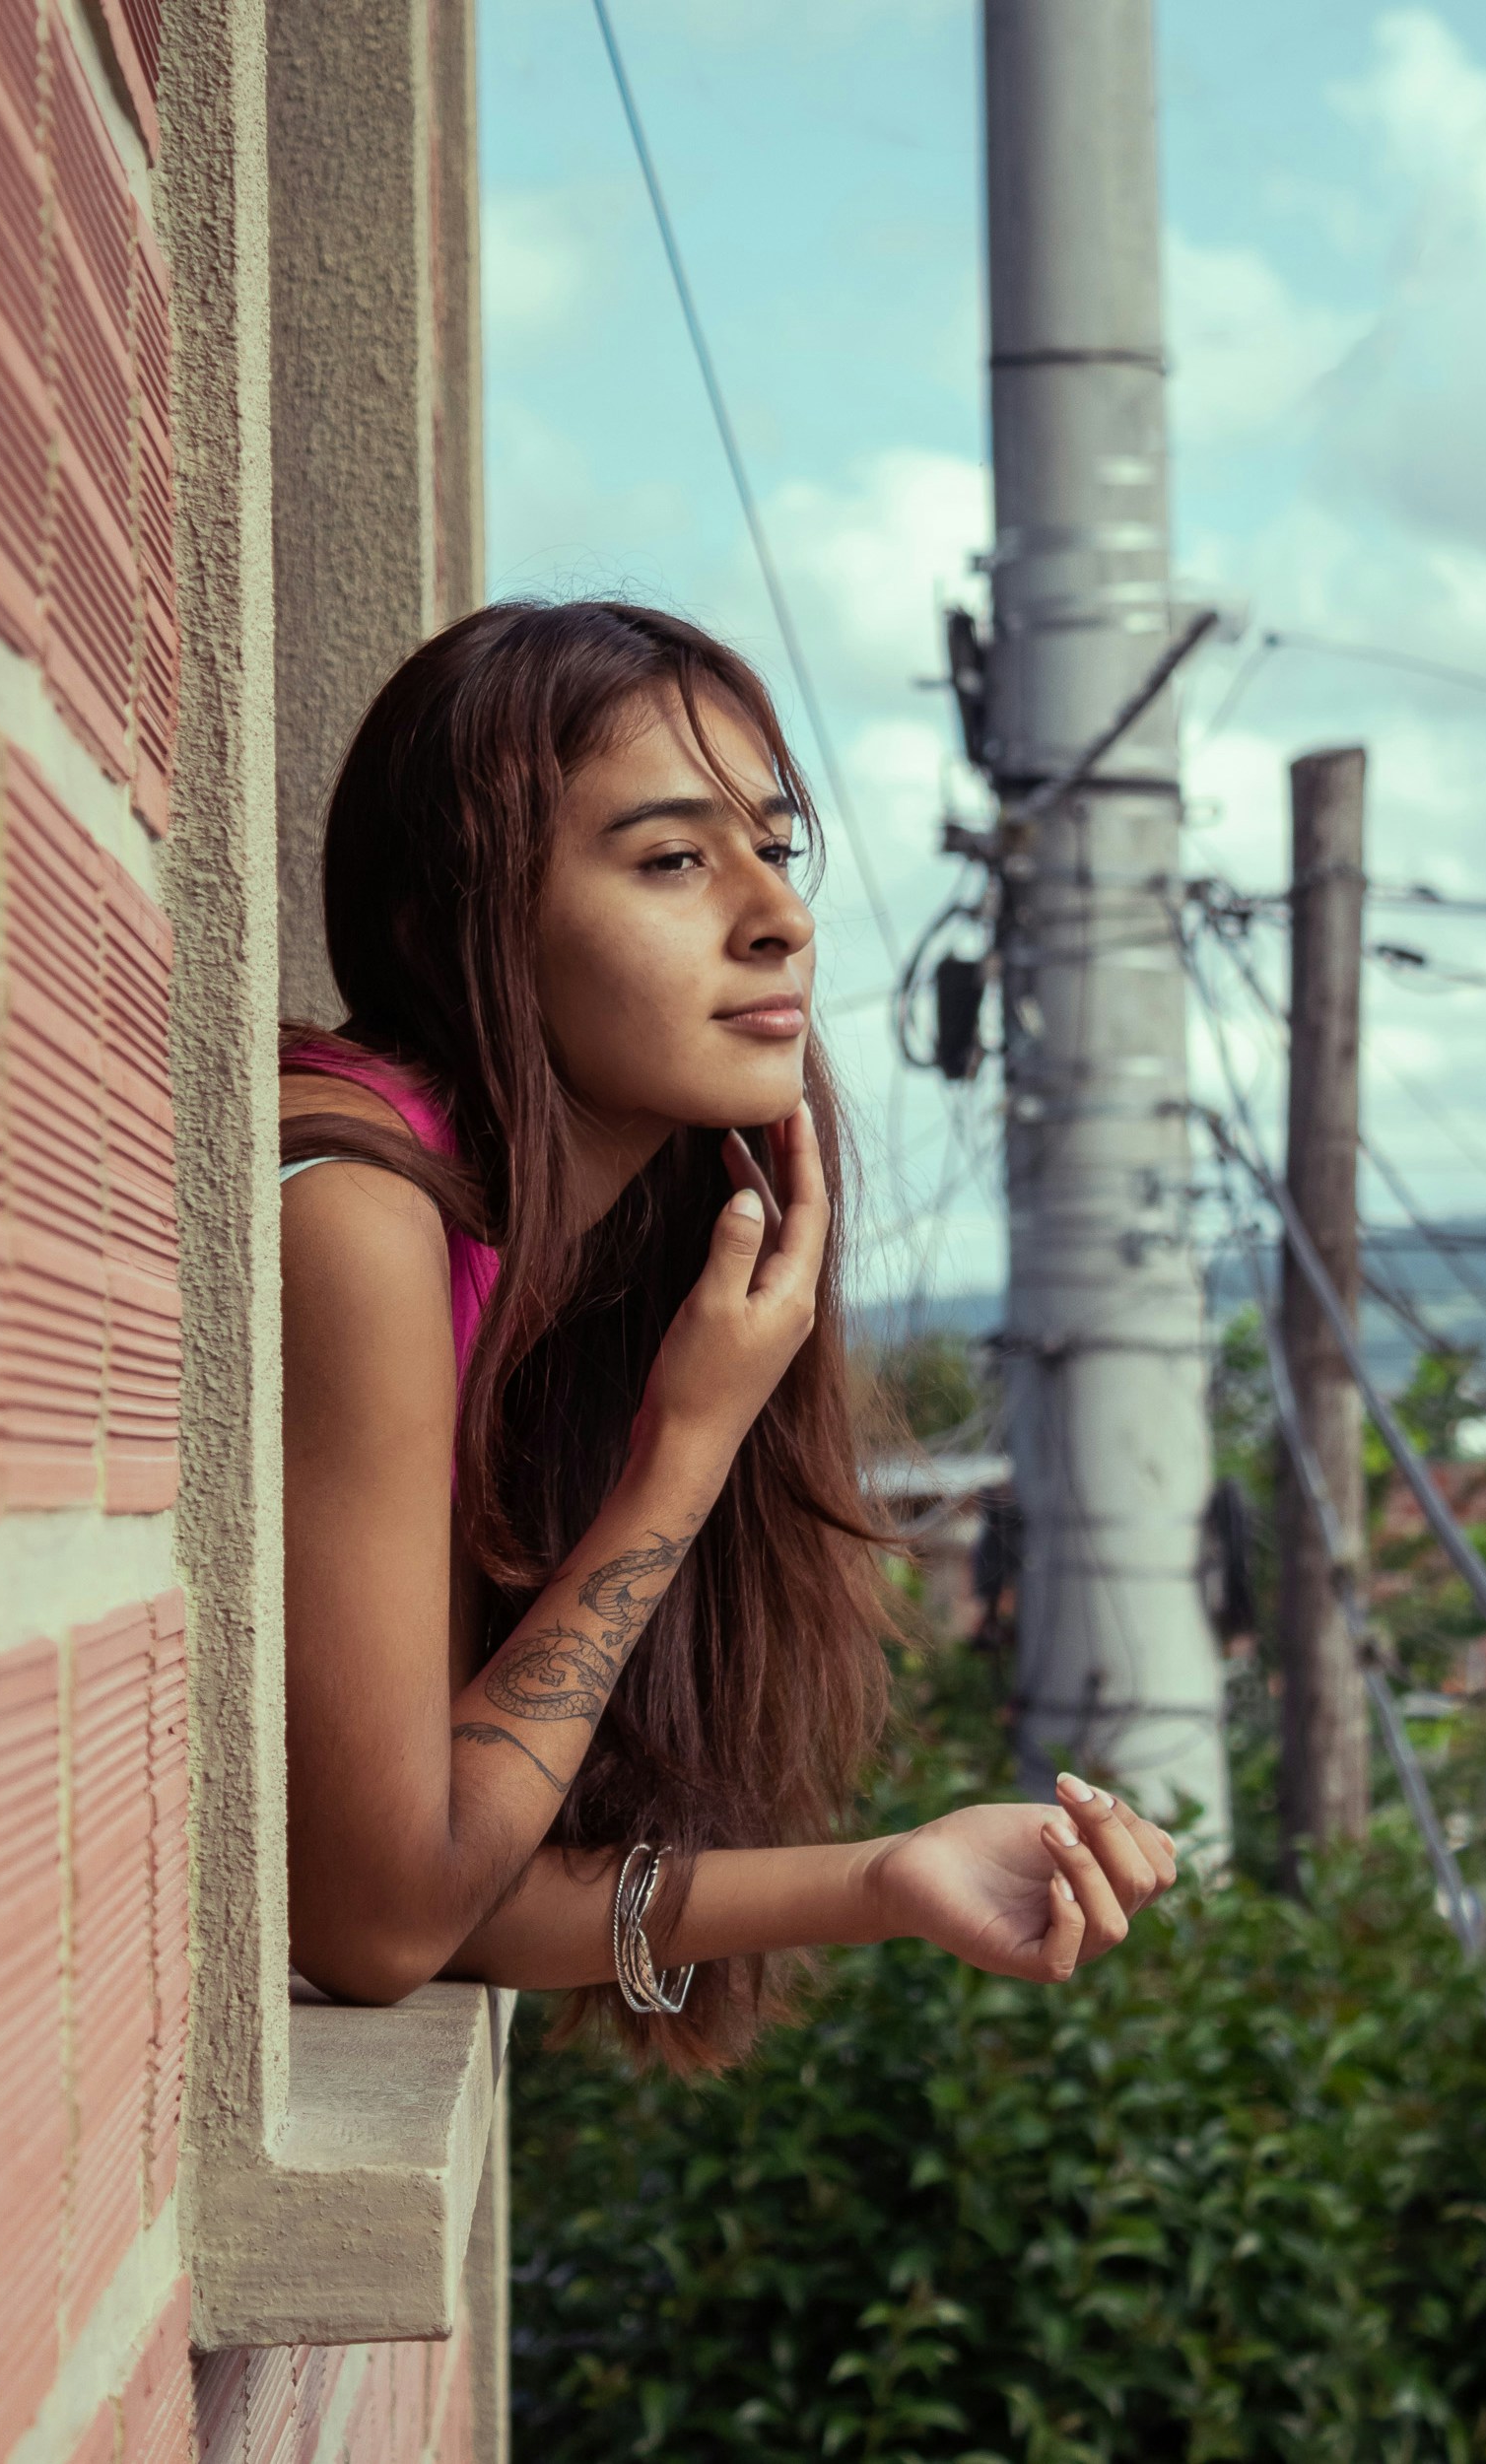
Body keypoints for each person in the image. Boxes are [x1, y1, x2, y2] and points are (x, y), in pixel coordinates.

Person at [278, 599, 1178, 2068]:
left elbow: (451, 1873)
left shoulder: (554, 1248)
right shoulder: (359, 1221)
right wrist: (682, 1452)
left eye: (773, 847)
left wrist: (886, 1880)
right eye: (673, 859)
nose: (780, 918)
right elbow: (382, 1921)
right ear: (453, 920)